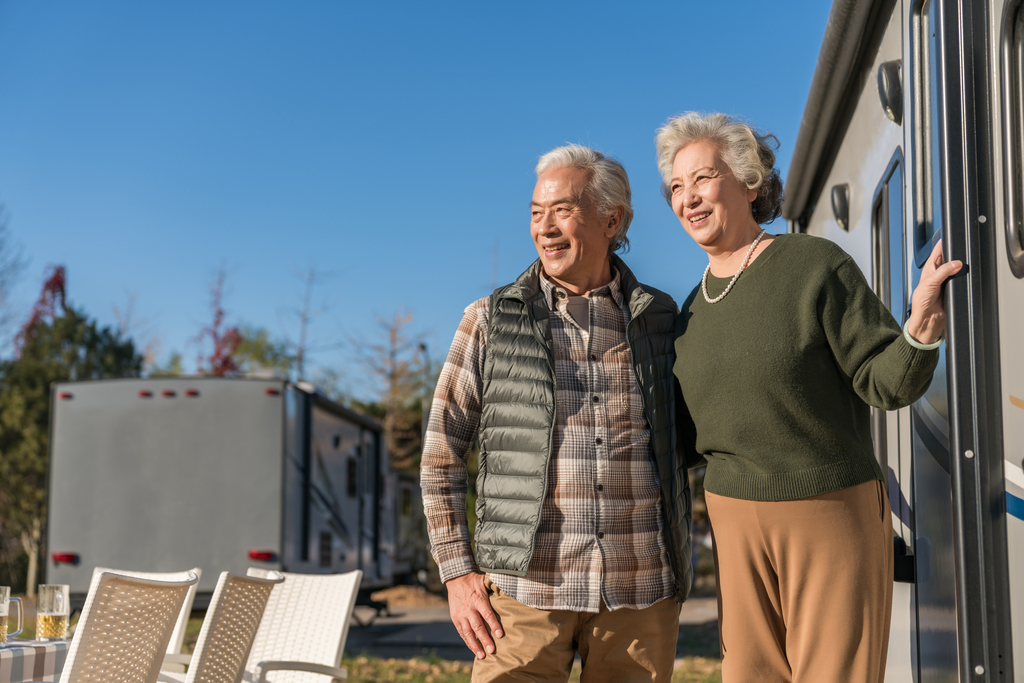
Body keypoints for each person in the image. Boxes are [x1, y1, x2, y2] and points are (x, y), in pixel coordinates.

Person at [654, 112, 961, 683]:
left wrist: (919, 328)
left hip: (828, 507)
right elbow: (685, 439)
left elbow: (884, 380)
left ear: (748, 181)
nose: (687, 198)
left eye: (703, 178)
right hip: (733, 516)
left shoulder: (812, 265)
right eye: (676, 187)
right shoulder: (685, 312)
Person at [420, 144, 693, 682]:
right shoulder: (489, 320)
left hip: (639, 596)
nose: (544, 227)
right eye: (535, 213)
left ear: (612, 219)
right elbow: (441, 452)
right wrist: (457, 572)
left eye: (562, 210)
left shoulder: (662, 319)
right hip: (522, 597)